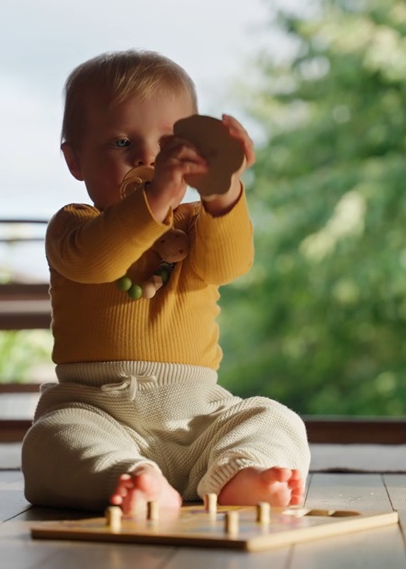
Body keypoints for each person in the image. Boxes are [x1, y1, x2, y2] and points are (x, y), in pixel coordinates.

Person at [21, 49, 311, 515]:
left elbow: (228, 263)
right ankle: (130, 478)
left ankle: (241, 472)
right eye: (121, 143)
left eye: (168, 142)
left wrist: (222, 190)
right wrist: (154, 198)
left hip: (197, 417)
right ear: (75, 161)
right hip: (97, 412)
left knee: (275, 419)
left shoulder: (195, 222)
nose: (148, 157)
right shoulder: (73, 225)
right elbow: (99, 260)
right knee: (50, 440)